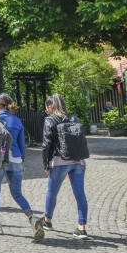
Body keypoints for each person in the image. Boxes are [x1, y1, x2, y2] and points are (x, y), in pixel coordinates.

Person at [0, 93, 42, 240]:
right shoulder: (17, 120)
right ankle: (32, 218)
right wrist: (22, 161)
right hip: (16, 159)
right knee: (17, 193)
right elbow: (21, 144)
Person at [36, 93, 89, 240]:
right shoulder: (74, 118)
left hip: (60, 162)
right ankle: (81, 228)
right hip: (78, 161)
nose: (46, 109)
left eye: (47, 106)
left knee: (52, 192)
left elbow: (46, 144)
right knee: (80, 194)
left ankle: (47, 221)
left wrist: (46, 165)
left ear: (51, 106)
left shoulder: (50, 120)